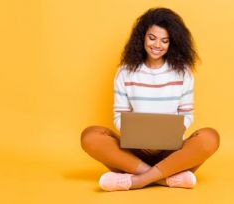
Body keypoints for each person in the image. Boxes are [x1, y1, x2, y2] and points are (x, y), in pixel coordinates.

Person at [80, 7, 220, 191]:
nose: (157, 45)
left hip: (172, 152)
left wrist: (169, 136)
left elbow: (187, 113)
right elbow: (119, 114)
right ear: (142, 38)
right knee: (90, 136)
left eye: (164, 40)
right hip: (134, 153)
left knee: (210, 137)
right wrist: (136, 136)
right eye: (152, 38)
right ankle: (164, 178)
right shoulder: (125, 72)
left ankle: (136, 181)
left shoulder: (183, 72)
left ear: (172, 43)